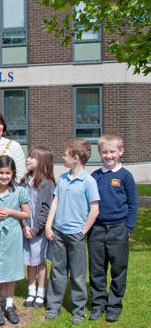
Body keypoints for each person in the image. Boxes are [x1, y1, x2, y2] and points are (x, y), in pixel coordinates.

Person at [45, 139, 100, 325]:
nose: (63, 158)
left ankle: (78, 309)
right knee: (57, 271)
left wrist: (83, 231)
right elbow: (55, 202)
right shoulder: (63, 179)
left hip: (76, 235)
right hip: (59, 233)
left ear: (75, 158)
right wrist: (48, 225)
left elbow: (95, 210)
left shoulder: (89, 182)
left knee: (77, 274)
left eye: (65, 155)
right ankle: (53, 306)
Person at [88, 134, 138, 322]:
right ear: (99, 153)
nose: (109, 156)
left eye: (112, 152)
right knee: (97, 269)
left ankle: (114, 305)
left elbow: (133, 204)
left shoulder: (125, 176)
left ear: (120, 152)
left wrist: (128, 228)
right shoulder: (95, 177)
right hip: (97, 230)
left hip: (119, 229)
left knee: (118, 269)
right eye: (105, 152)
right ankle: (99, 303)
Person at [0, 155, 30, 325]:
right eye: (0, 173)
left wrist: (11, 212)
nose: (4, 176)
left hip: (12, 237)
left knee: (10, 271)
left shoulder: (20, 191)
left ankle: (9, 305)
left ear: (13, 173)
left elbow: (26, 213)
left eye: (7, 173)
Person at [20, 147, 55, 308]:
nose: (28, 160)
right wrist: (25, 227)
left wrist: (34, 230)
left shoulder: (47, 184)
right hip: (27, 229)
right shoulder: (24, 181)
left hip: (38, 231)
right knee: (29, 262)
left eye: (32, 158)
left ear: (42, 162)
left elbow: (45, 211)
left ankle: (41, 292)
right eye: (28, 157)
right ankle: (31, 291)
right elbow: (21, 206)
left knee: (40, 261)